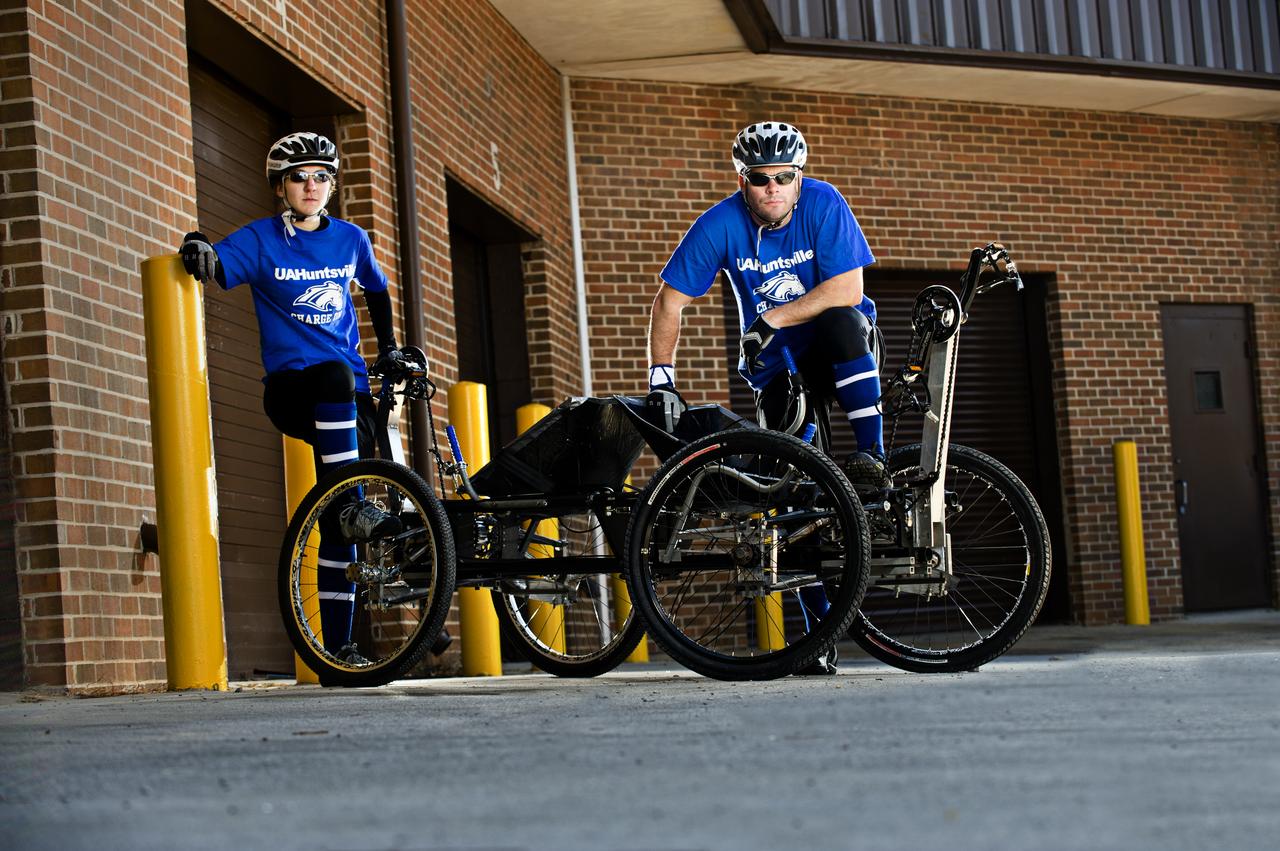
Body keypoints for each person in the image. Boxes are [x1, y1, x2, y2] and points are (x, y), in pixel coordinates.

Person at [646, 121, 884, 674]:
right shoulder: (719, 224)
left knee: (844, 321)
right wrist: (662, 379)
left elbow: (848, 289)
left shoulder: (824, 202)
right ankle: (817, 637)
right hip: (778, 365)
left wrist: (771, 315)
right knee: (794, 497)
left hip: (837, 344)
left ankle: (870, 454)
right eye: (760, 178)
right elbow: (670, 302)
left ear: (799, 178)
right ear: (742, 180)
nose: (773, 187)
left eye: (784, 177)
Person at [178, 131, 403, 666]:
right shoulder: (260, 240)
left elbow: (375, 289)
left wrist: (390, 348)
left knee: (337, 521)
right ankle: (351, 507)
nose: (312, 186)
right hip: (292, 390)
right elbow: (218, 260)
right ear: (281, 186)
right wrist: (197, 242)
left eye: (322, 177)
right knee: (331, 385)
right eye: (300, 177)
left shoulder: (351, 239)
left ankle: (339, 649)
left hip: (348, 397)